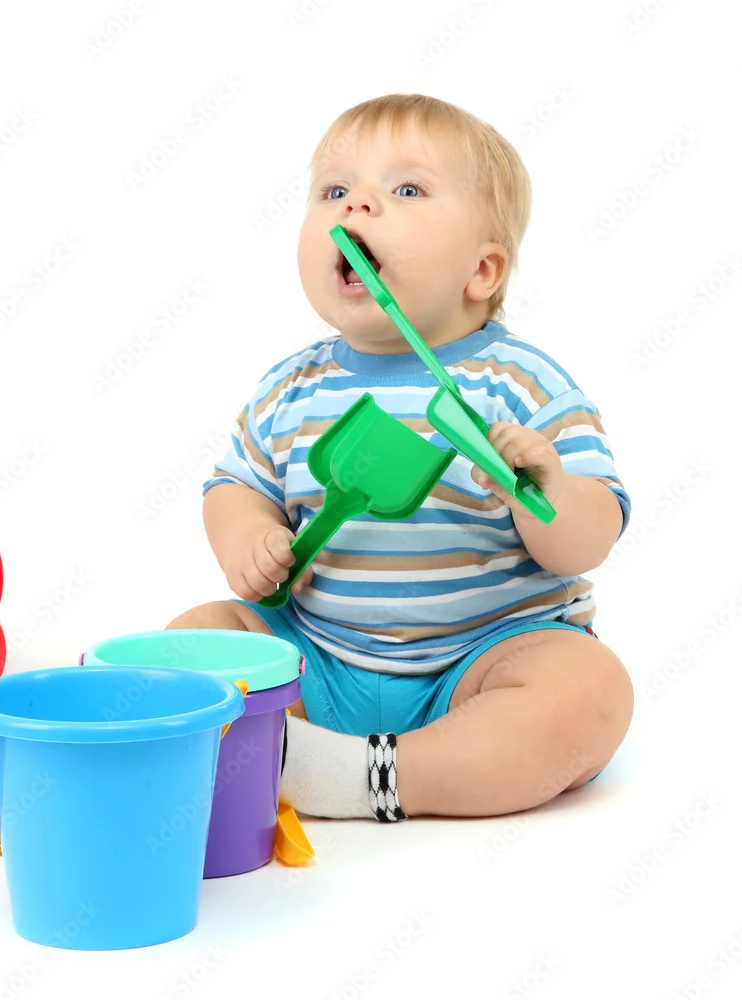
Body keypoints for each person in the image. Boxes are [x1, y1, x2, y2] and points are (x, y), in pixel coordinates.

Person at [167, 94, 633, 822]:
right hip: (317, 657)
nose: (356, 205)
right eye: (334, 190)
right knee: (194, 641)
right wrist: (248, 539)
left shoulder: (520, 384)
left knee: (587, 692)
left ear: (482, 270)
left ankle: (360, 777)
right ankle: (290, 749)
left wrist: (545, 493)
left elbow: (591, 537)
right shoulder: (291, 388)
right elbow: (235, 486)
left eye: (407, 189)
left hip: (482, 663)